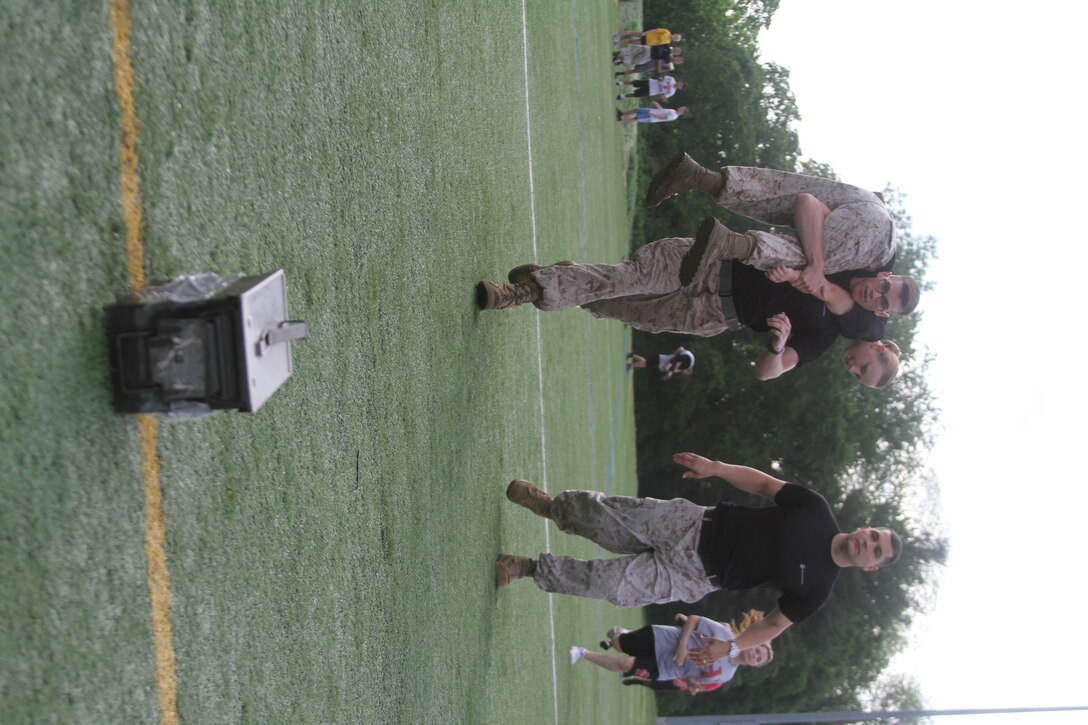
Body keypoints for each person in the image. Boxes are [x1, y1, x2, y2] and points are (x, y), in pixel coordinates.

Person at [495, 452, 902, 659]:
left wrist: (734, 646)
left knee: (608, 585)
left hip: (694, 576)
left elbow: (776, 624)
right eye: (875, 536)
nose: (869, 543)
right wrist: (717, 467)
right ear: (866, 528)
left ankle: (527, 567)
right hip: (691, 524)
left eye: (876, 551)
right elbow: (764, 484)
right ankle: (549, 506)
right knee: (603, 518)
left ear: (869, 565)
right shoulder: (815, 508)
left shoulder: (817, 590)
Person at [474, 226, 914, 385]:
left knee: (612, 304)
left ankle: (556, 277)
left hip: (711, 316)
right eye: (863, 368)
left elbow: (768, 372)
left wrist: (778, 346)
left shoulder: (823, 338)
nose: (852, 369)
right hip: (713, 260)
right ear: (876, 344)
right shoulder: (843, 265)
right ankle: (524, 292)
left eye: (857, 377)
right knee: (625, 278)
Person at [646, 153, 898, 288]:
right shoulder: (872, 285)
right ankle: (727, 243)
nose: (879, 299)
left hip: (873, 204)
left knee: (780, 193)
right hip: (878, 241)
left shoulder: (879, 280)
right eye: (884, 296)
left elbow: (804, 203)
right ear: (886, 276)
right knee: (811, 263)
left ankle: (697, 176)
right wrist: (817, 266)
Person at [569, 610, 773, 695]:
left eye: (759, 659)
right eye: (758, 651)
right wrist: (682, 646)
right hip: (663, 640)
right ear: (754, 643)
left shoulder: (727, 675)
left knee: (626, 665)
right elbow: (694, 620)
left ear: (754, 666)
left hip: (666, 668)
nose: (755, 656)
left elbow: (695, 680)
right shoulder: (724, 634)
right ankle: (620, 635)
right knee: (619, 644)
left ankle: (582, 653)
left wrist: (691, 683)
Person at [628, 347, 694, 380]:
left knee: (646, 362)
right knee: (646, 364)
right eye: (685, 372)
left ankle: (632, 355)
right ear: (687, 370)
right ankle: (631, 365)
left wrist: (669, 374)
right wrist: (668, 369)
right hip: (661, 360)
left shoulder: (682, 364)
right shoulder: (683, 363)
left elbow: (672, 368)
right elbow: (672, 363)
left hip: (661, 361)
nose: (683, 373)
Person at [617, 75, 684, 102]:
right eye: (681, 84)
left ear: (680, 88)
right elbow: (662, 77)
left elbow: (663, 96)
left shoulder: (672, 92)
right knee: (635, 83)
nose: (679, 85)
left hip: (651, 91)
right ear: (680, 82)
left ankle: (622, 96)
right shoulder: (672, 79)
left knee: (636, 94)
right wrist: (660, 79)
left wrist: (663, 98)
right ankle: (621, 83)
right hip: (651, 83)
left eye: (681, 86)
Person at [619, 102, 689, 124]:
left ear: (682, 112)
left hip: (651, 117)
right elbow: (662, 110)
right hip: (651, 111)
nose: (681, 107)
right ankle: (621, 114)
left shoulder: (674, 116)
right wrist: (657, 104)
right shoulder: (673, 111)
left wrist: (651, 114)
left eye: (682, 108)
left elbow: (662, 118)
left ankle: (621, 120)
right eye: (682, 107)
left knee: (636, 118)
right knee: (637, 110)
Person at [616, 28, 681, 47]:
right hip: (647, 35)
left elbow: (658, 44)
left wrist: (650, 45)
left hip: (647, 42)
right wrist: (646, 32)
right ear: (675, 34)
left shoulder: (668, 42)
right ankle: (616, 35)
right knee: (631, 33)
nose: (675, 38)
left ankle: (617, 42)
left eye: (676, 39)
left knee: (631, 42)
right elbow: (655, 30)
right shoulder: (667, 31)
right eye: (676, 37)